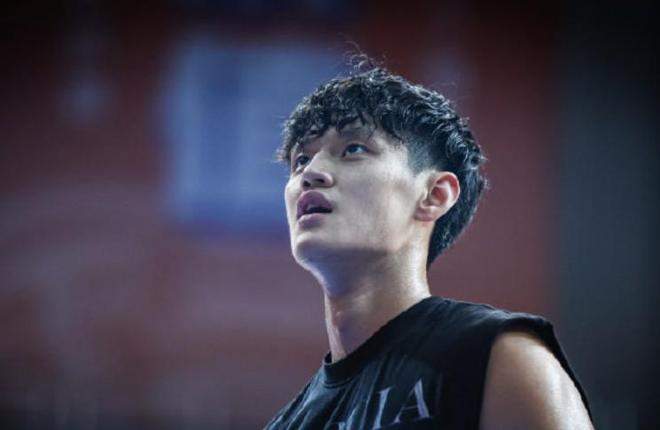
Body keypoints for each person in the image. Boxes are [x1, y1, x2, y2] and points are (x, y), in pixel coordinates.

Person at [264, 58, 593, 429]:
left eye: (353, 149)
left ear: (434, 195)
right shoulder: (287, 423)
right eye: (301, 160)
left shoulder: (494, 355)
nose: (311, 173)